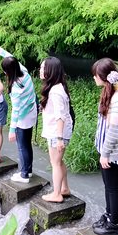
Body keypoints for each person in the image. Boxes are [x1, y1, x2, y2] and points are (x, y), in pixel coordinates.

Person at [0, 39, 38, 183]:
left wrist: (11, 130)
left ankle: (24, 175)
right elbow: (10, 56)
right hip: (31, 111)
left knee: (22, 147)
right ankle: (27, 171)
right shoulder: (24, 72)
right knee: (27, 144)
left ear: (7, 72)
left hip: (23, 117)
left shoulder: (16, 88)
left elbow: (16, 110)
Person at [92, 58, 118, 235]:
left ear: (103, 77)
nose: (93, 78)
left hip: (113, 153)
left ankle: (114, 225)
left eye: (95, 75)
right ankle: (109, 216)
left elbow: (114, 131)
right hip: (107, 151)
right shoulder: (111, 91)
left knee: (113, 188)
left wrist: (105, 154)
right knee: (108, 186)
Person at [39, 57, 74, 203]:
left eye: (42, 68)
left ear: (50, 71)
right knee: (58, 162)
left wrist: (59, 139)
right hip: (56, 131)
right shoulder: (57, 87)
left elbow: (60, 116)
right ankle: (64, 189)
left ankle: (56, 194)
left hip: (57, 132)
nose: (40, 70)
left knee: (55, 163)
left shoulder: (55, 91)